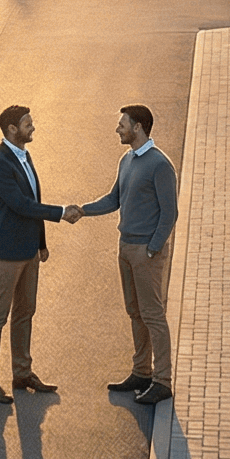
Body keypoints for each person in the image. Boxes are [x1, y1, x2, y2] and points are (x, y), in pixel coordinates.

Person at [77, 104, 181, 406]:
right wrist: (82, 210)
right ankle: (141, 371)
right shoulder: (127, 160)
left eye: (123, 124)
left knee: (153, 315)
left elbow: (169, 213)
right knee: (135, 312)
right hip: (126, 246)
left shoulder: (160, 165)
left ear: (138, 127)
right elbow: (114, 199)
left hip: (145, 252)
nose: (118, 129)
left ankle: (162, 380)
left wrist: (153, 248)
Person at [0, 105, 74, 405]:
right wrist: (60, 213)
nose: (32, 127)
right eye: (27, 124)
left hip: (29, 251)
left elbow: (34, 198)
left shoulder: (24, 156)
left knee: (25, 313)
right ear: (11, 129)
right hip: (7, 254)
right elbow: (21, 205)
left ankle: (22, 372)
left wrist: (41, 243)